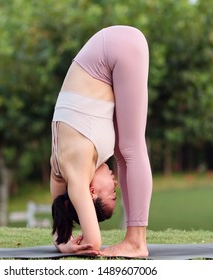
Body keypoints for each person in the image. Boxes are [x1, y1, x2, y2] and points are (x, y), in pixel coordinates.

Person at [50, 25, 152, 258]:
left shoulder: (76, 177)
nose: (115, 184)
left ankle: (136, 242)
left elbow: (93, 242)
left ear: (91, 192)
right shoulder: (59, 170)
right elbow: (59, 212)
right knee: (124, 150)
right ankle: (135, 240)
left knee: (131, 148)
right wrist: (62, 241)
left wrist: (68, 246)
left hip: (114, 49)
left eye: (111, 194)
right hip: (111, 48)